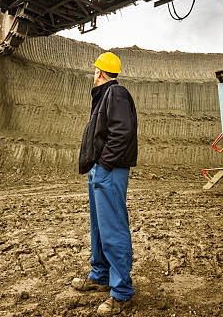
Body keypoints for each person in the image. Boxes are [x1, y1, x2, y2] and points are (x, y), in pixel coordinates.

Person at [72, 52, 138, 316]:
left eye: (94, 70)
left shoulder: (116, 93)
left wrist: (106, 164)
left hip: (110, 170)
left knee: (113, 229)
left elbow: (123, 131)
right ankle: (100, 274)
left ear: (99, 72)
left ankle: (122, 292)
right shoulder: (105, 96)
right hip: (100, 169)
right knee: (99, 227)